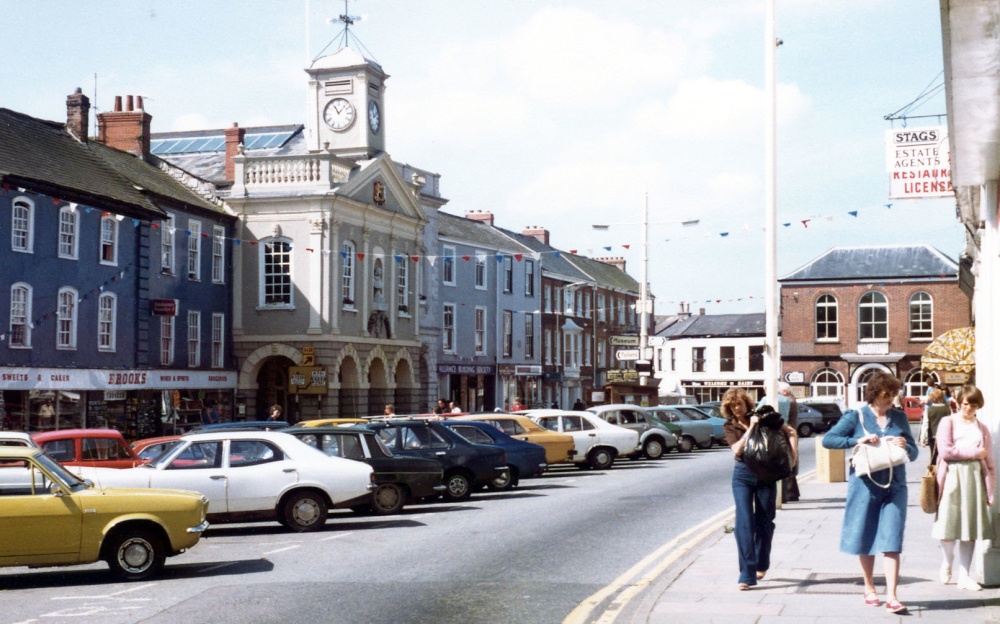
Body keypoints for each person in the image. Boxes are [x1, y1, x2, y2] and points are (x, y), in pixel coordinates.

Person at [822, 372, 918, 614]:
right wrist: (859, 440)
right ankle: (869, 587)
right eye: (887, 396)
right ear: (875, 394)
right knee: (866, 535)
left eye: (893, 395)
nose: (891, 401)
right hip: (865, 485)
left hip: (895, 486)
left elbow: (914, 452)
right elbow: (829, 440)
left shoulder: (899, 417)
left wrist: (905, 445)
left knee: (892, 538)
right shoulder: (856, 415)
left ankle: (893, 596)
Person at [721, 386, 798, 591]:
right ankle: (746, 574)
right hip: (743, 475)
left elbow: (791, 431)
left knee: (765, 521)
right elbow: (736, 449)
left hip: (766, 474)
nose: (737, 408)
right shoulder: (730, 426)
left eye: (739, 404)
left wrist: (793, 457)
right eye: (732, 406)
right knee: (743, 523)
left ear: (747, 403)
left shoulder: (764, 416)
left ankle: (762, 562)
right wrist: (750, 429)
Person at [932, 385, 995, 591]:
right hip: (952, 476)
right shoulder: (947, 422)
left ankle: (965, 575)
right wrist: (975, 454)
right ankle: (947, 561)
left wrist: (991, 491)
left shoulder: (981, 427)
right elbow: (946, 451)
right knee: (948, 524)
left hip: (975, 478)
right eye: (966, 403)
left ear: (979, 406)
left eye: (973, 404)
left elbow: (990, 461)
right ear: (958, 403)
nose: (969, 408)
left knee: (970, 528)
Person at [919, 388, 951, 464]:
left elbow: (925, 424)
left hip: (932, 436)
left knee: (933, 456)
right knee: (945, 456)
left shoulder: (929, 410)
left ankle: (934, 473)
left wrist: (922, 438)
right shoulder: (947, 409)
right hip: (945, 435)